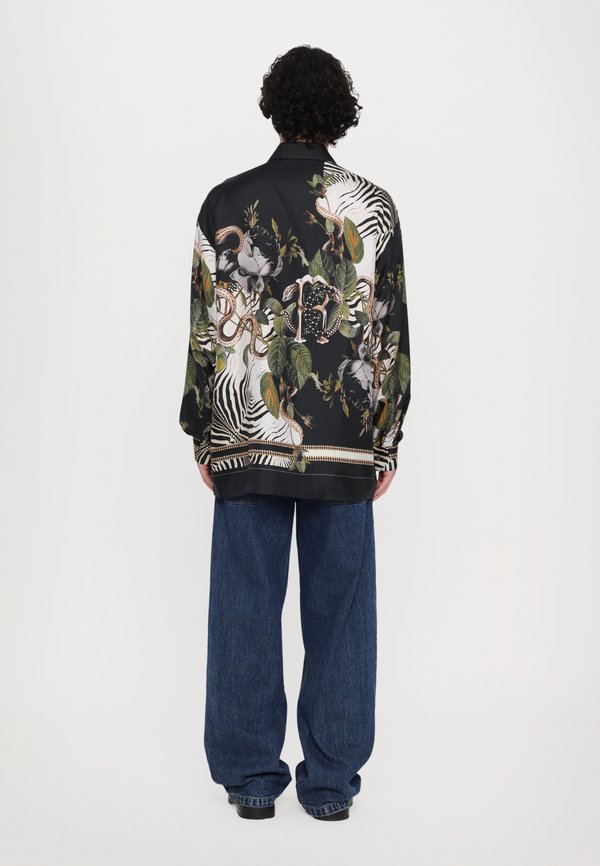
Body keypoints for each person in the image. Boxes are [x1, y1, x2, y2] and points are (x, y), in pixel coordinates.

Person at [179, 45, 411, 821]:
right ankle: (332, 783)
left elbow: (205, 328)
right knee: (342, 609)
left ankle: (250, 780)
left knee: (244, 605)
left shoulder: (226, 201)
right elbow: (388, 330)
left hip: (248, 433)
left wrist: (204, 431)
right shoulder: (373, 206)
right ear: (340, 112)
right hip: (344, 439)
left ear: (273, 107)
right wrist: (386, 438)